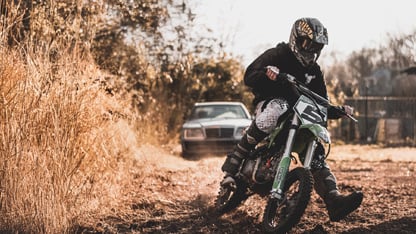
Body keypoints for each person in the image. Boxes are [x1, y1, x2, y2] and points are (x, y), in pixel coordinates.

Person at [220, 17, 363, 222]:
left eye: (316, 46)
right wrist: (268, 74)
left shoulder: (315, 70)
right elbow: (249, 75)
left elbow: (322, 102)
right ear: (296, 39)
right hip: (271, 105)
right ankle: (236, 159)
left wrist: (338, 110)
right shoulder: (279, 54)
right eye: (307, 43)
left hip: (300, 116)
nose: (311, 50)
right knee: (278, 107)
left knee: (316, 152)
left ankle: (334, 200)